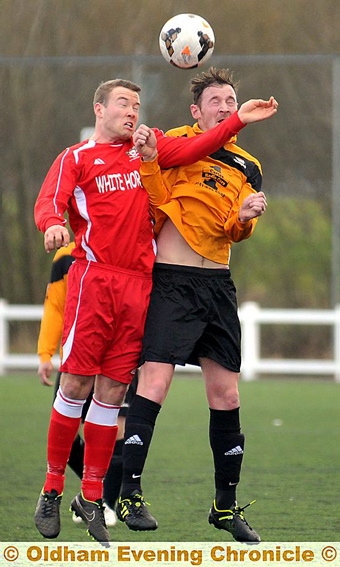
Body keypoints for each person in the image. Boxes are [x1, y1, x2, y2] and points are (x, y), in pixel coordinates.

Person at [33, 77, 278, 546]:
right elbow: (51, 201)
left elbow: (208, 172)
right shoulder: (82, 156)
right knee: (85, 382)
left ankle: (95, 499)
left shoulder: (167, 151)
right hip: (107, 276)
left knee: (113, 390)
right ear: (99, 109)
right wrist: (52, 225)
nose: (132, 111)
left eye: (137, 104)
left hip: (147, 283)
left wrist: (242, 208)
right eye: (123, 103)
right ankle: (58, 488)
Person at [116, 68, 278, 543]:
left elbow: (233, 228)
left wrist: (245, 217)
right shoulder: (175, 144)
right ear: (196, 109)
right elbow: (156, 195)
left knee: (226, 396)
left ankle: (225, 507)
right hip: (172, 282)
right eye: (217, 100)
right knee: (156, 381)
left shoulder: (248, 164)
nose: (226, 106)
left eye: (231, 99)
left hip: (217, 286)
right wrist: (148, 158)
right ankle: (129, 493)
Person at [37, 241, 133, 527]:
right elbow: (55, 305)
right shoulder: (65, 256)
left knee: (118, 433)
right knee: (67, 440)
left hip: (119, 356)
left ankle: (105, 504)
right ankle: (95, 495)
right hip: (77, 358)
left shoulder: (128, 247)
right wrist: (45, 352)